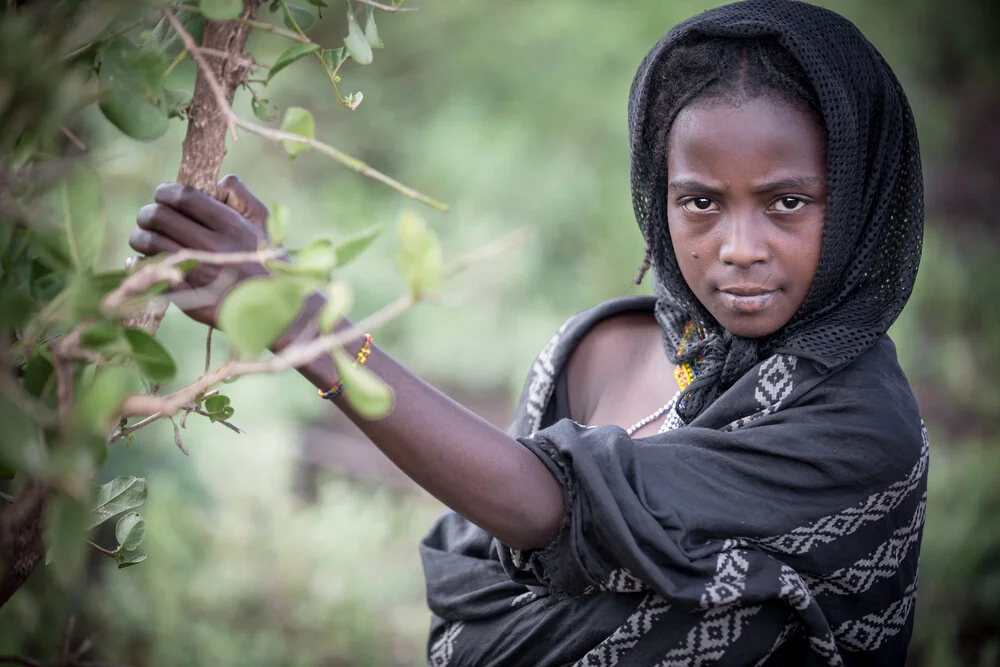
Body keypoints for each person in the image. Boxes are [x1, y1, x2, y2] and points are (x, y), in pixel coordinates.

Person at [127, 0, 927, 664]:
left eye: (787, 203)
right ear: (660, 195)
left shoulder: (857, 425)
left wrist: (302, 321)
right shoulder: (604, 348)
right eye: (701, 202)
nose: (739, 247)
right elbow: (482, 567)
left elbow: (542, 507)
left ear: (855, 198)